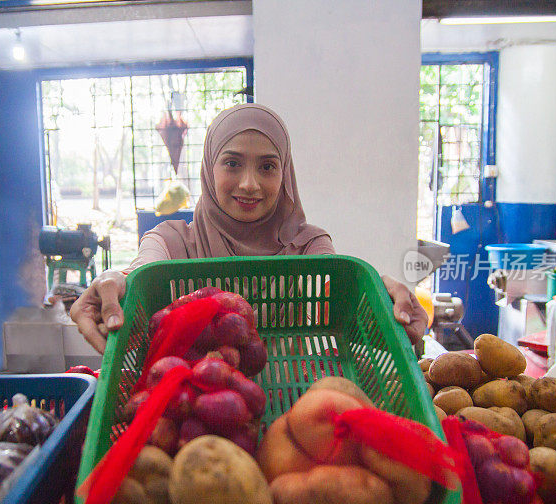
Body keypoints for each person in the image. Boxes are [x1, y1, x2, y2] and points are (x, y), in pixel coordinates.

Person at [70, 103, 428, 353]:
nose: (249, 184)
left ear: (285, 173)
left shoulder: (307, 244)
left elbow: (343, 290)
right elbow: (141, 272)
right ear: (210, 168)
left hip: (293, 401)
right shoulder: (170, 241)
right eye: (232, 163)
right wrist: (115, 281)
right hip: (195, 404)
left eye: (268, 167)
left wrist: (380, 300)